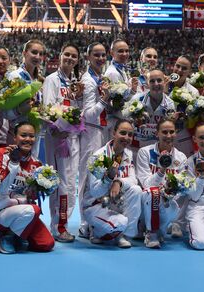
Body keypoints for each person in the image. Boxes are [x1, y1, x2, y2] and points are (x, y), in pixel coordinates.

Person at [0, 122, 55, 254]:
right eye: (23, 135)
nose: (27, 139)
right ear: (15, 137)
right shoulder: (1, 154)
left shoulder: (37, 164)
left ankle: (17, 233)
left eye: (31, 136)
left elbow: (33, 197)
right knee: (34, 210)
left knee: (46, 244)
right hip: (0, 210)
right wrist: (13, 162)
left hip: (23, 212)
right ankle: (8, 237)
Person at [42, 44, 84, 242]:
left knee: (71, 182)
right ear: (60, 56)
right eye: (66, 54)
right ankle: (59, 227)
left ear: (77, 60)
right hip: (59, 138)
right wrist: (57, 130)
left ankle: (62, 224)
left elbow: (77, 109)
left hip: (74, 137)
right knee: (63, 183)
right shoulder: (52, 80)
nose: (70, 58)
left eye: (73, 55)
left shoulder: (74, 82)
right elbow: (48, 109)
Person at [83, 119, 143, 248]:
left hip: (115, 202)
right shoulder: (97, 157)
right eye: (123, 133)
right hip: (95, 205)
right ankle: (95, 229)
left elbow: (133, 180)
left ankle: (124, 236)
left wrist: (118, 181)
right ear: (114, 133)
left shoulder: (128, 153)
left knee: (137, 190)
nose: (126, 138)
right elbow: (95, 191)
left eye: (130, 134)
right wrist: (108, 178)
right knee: (121, 222)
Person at [136, 119, 187, 248]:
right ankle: (151, 233)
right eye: (164, 132)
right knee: (153, 192)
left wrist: (169, 193)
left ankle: (157, 229)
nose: (168, 136)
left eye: (171, 132)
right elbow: (146, 184)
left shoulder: (181, 157)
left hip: (168, 202)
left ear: (176, 133)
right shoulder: (145, 152)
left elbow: (181, 188)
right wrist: (162, 169)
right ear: (157, 133)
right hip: (146, 201)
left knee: (173, 203)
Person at [78, 42, 110, 238]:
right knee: (86, 178)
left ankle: (95, 219)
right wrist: (105, 100)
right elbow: (88, 114)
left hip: (102, 131)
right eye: (96, 55)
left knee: (99, 178)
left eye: (103, 55)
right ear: (88, 57)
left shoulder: (100, 78)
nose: (100, 58)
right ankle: (83, 222)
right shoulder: (88, 81)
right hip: (91, 132)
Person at [128, 69, 175, 150]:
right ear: (147, 84)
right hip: (137, 147)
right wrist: (134, 122)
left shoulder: (170, 104)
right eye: (152, 81)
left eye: (159, 80)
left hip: (159, 149)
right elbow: (127, 123)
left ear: (164, 82)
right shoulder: (137, 99)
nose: (156, 84)